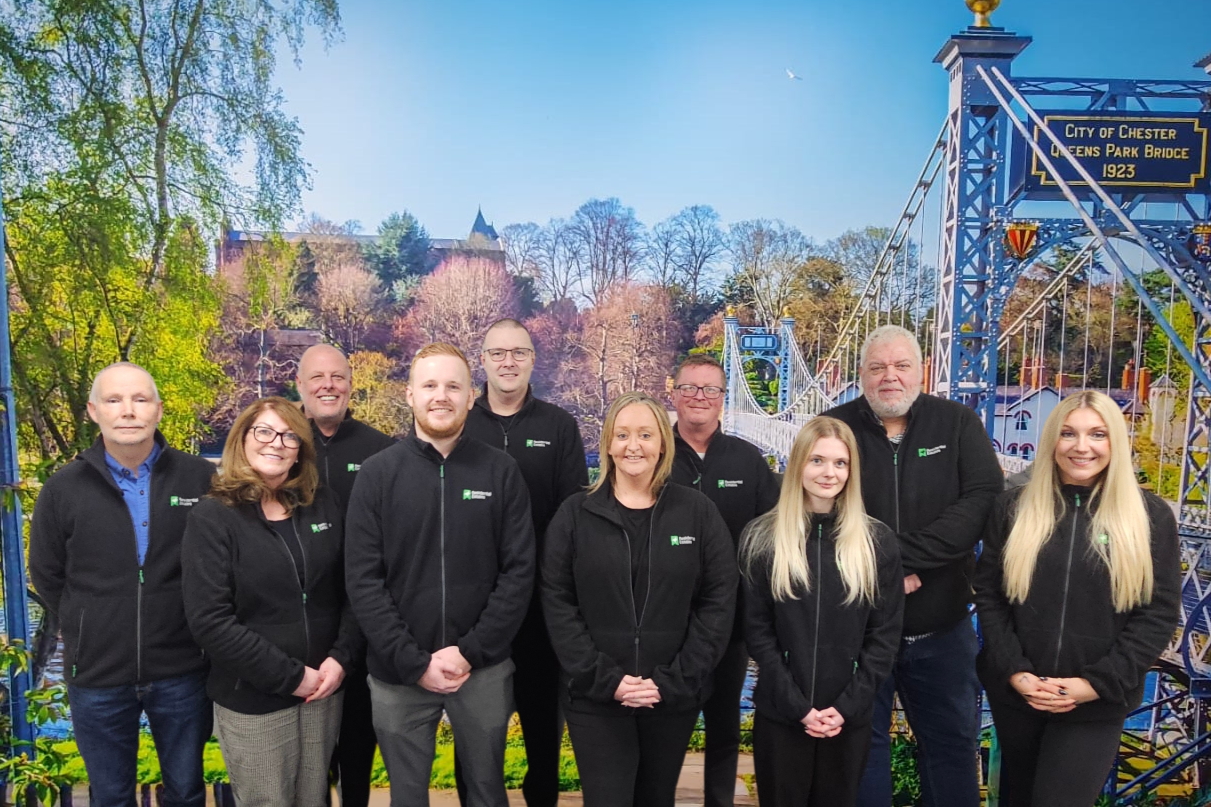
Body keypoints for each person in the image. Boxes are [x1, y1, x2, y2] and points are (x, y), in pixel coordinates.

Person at [344, 342, 535, 807]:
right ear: (410, 394)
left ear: (471, 397)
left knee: (487, 793)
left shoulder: (501, 471)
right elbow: (363, 580)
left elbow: (519, 572)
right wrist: (412, 661)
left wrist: (470, 651)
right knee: (407, 797)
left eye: (453, 386)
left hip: (483, 670)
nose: (441, 396)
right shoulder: (377, 475)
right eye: (429, 385)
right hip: (397, 673)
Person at [973, 390, 1181, 807]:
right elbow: (991, 596)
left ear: (1115, 442)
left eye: (1097, 434)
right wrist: (1015, 672)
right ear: (1052, 440)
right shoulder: (1013, 508)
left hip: (1095, 702)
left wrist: (1095, 684)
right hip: (1020, 695)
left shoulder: (1149, 517)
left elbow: (1157, 614)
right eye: (1068, 433)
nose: (1081, 446)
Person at [825, 324, 1004, 807]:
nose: (891, 376)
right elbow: (818, 514)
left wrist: (898, 559)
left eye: (902, 365)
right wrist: (888, 572)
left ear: (922, 371)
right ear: (861, 374)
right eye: (878, 367)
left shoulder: (958, 423)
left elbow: (982, 500)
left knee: (951, 751)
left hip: (941, 629)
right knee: (860, 754)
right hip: (857, 631)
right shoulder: (833, 428)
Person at [29, 362, 217, 807]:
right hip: (97, 674)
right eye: (114, 400)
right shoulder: (62, 489)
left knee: (187, 792)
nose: (128, 411)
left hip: (183, 669)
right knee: (111, 797)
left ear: (158, 410)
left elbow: (221, 564)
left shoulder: (200, 479)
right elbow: (47, 574)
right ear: (94, 411)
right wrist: (88, 622)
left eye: (140, 399)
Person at [542, 391, 738, 807]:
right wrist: (605, 680)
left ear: (663, 443)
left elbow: (718, 601)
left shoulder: (698, 513)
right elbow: (558, 602)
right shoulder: (575, 515)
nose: (634, 446)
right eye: (623, 435)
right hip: (595, 697)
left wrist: (673, 680)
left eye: (646, 435)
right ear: (608, 445)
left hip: (670, 698)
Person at [182, 397, 360, 806]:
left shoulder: (323, 503)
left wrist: (341, 659)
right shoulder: (213, 517)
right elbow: (211, 621)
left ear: (301, 450)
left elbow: (352, 588)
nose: (276, 443)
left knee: (314, 799)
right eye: (264, 431)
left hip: (323, 691)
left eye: (289, 436)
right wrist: (292, 677)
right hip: (254, 698)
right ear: (242, 439)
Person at [741, 416, 903, 806]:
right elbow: (757, 630)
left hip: (847, 719)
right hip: (781, 715)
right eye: (817, 460)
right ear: (798, 463)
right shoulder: (762, 538)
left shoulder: (877, 542)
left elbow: (884, 636)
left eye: (840, 463)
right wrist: (796, 706)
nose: (829, 473)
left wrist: (846, 706)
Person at [460, 319, 588, 807]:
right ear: (483, 361)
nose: (508, 362)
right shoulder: (461, 424)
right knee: (475, 741)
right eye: (497, 353)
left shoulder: (558, 426)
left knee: (542, 733)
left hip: (539, 609)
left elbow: (571, 518)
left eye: (518, 352)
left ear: (534, 359)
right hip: (473, 609)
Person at [668, 353, 780, 807]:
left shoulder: (748, 459)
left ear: (723, 398)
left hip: (731, 622)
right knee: (665, 726)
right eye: (690, 387)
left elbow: (773, 535)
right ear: (674, 393)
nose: (700, 396)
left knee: (724, 725)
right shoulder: (654, 453)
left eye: (710, 389)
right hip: (664, 622)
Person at [297, 343, 394, 807]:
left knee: (357, 749)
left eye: (337, 377)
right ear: (300, 385)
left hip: (366, 623)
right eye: (317, 378)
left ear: (351, 385)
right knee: (309, 764)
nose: (328, 386)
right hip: (300, 625)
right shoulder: (282, 445)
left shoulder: (381, 450)